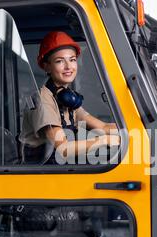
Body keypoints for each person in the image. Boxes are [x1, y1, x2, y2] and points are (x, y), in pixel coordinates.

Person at [19, 31, 119, 164]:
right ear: (46, 66)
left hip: (59, 168)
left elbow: (104, 127)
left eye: (72, 60)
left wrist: (131, 130)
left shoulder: (67, 98)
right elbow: (63, 149)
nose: (68, 67)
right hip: (41, 175)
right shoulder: (43, 100)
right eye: (60, 61)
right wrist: (104, 140)